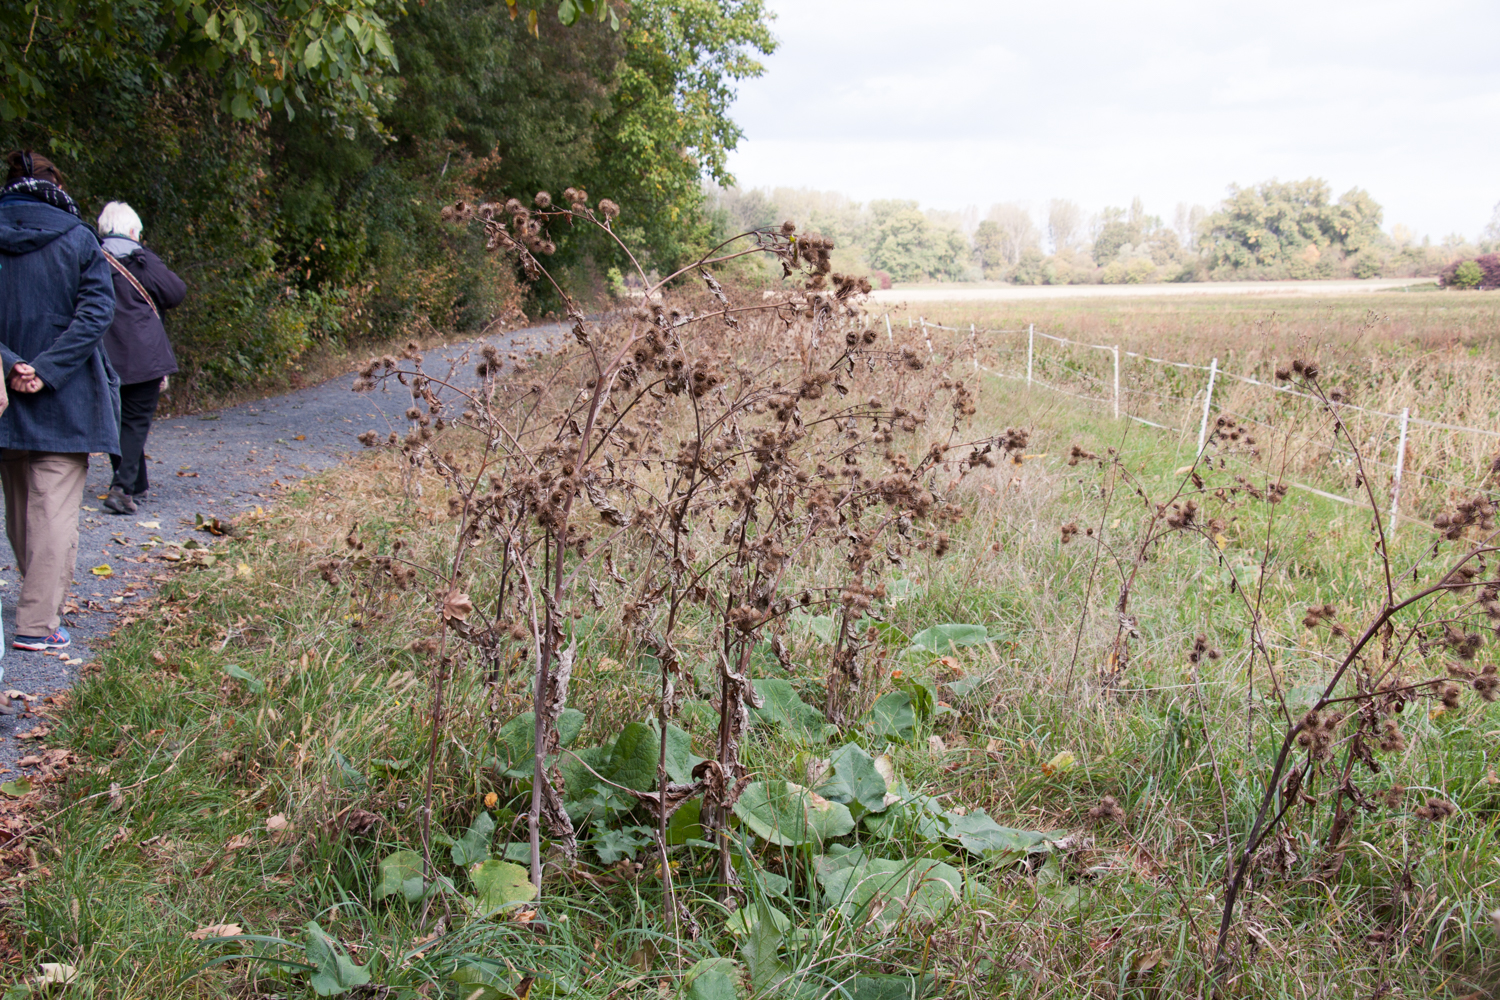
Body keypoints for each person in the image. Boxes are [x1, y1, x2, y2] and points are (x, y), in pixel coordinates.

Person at [0, 150, 119, 675]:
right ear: (56, 186)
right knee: (54, 506)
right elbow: (97, 310)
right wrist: (45, 369)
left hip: (1, 391)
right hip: (64, 393)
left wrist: (8, 364)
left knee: (21, 500)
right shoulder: (78, 238)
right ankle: (37, 624)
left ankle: (36, 599)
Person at [96, 201, 184, 514]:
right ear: (133, 231)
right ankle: (121, 488)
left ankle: (137, 483)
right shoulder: (141, 259)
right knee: (133, 423)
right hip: (144, 354)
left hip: (100, 354)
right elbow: (175, 293)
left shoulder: (87, 256)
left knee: (118, 421)